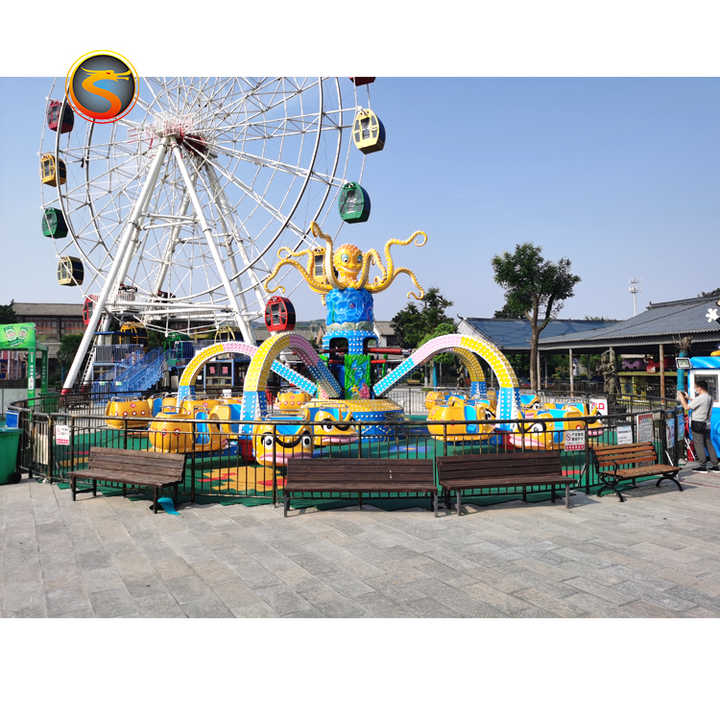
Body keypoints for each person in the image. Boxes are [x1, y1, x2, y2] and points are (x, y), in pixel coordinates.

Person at [677, 380, 719, 471]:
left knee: (698, 444)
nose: (695, 389)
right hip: (706, 424)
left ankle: (702, 465)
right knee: (708, 444)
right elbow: (699, 403)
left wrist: (681, 398)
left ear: (700, 388)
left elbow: (686, 407)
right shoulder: (709, 397)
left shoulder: (700, 398)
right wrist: (689, 398)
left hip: (698, 423)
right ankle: (715, 465)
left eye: (696, 388)